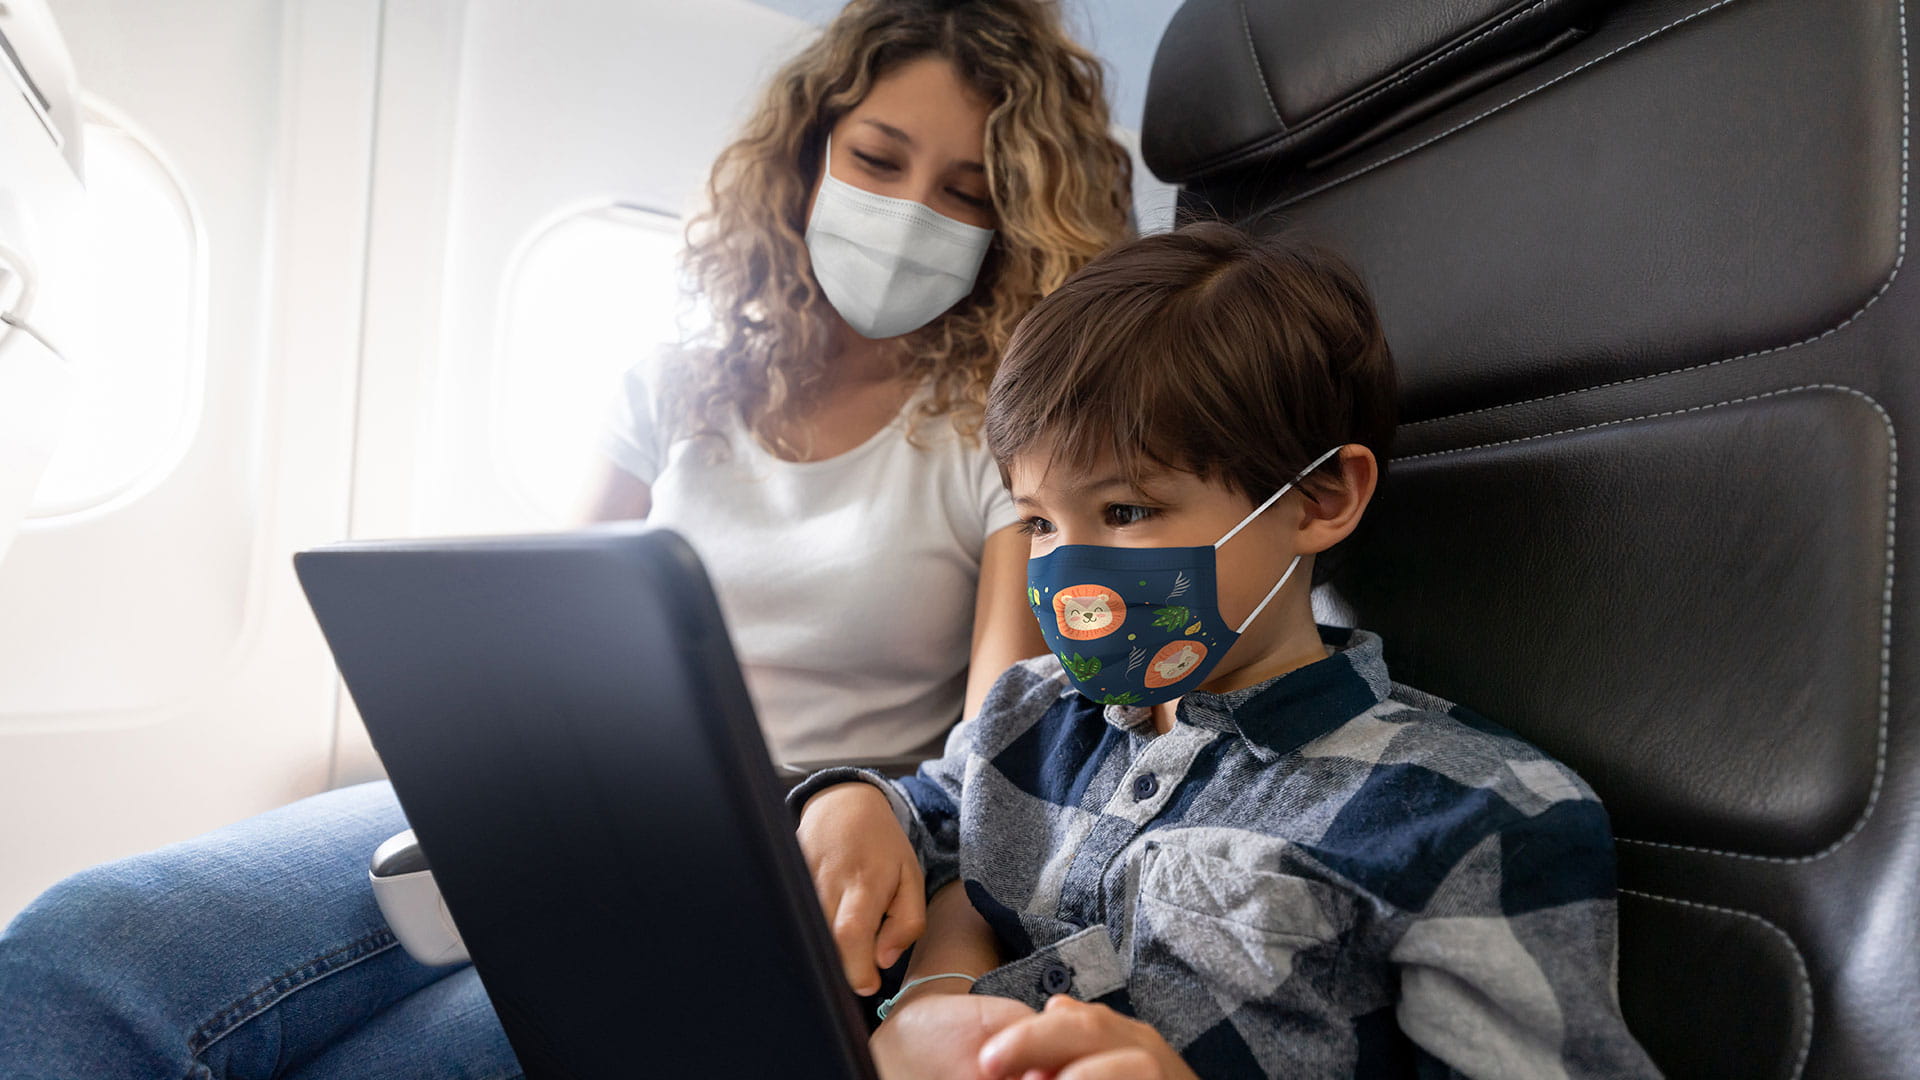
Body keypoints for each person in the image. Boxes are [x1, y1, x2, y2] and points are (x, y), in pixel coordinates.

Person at [0, 1, 1132, 1076]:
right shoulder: (681, 377)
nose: (907, 215)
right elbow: (539, 625)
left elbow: (997, 753)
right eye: (878, 163)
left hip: (780, 857)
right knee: (79, 951)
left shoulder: (998, 441)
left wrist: (910, 913)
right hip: (562, 793)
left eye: (965, 194)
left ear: (1010, 225)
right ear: (811, 155)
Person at [792, 221, 1661, 1078]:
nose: (1069, 571)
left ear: (1320, 499)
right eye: (1040, 522)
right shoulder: (1031, 710)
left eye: (1127, 510)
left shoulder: (1477, 815)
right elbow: (929, 817)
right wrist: (847, 806)